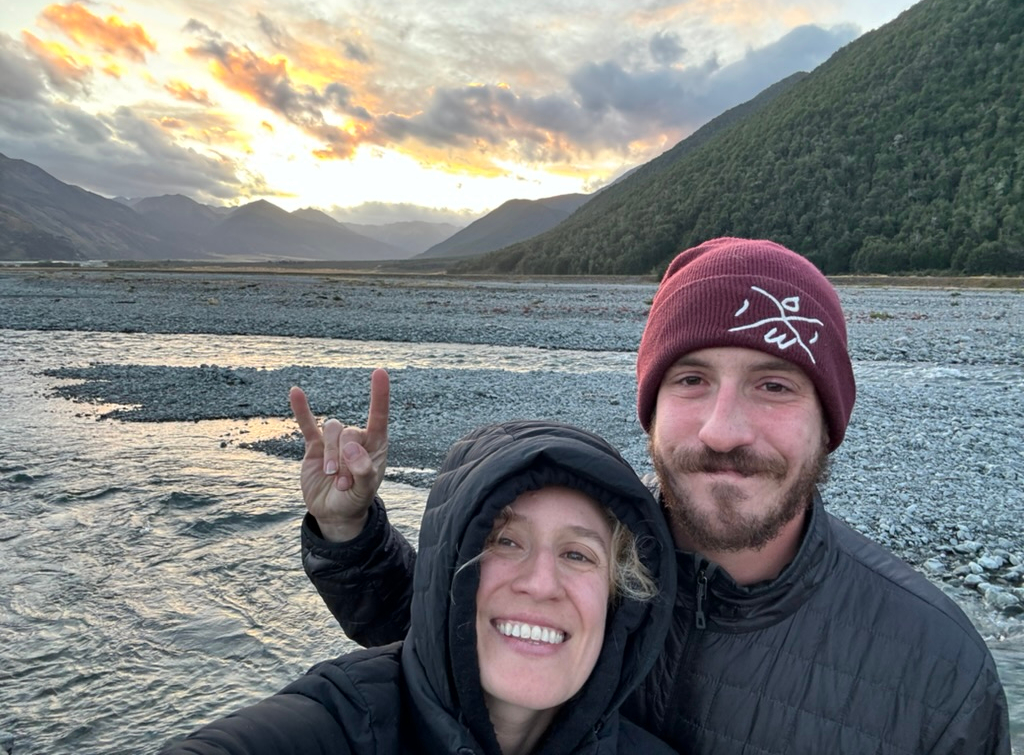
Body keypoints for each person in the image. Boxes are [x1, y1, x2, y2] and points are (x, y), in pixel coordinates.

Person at [296, 237, 1010, 754]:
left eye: (774, 386)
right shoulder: (583, 559)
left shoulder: (939, 675)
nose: (724, 430)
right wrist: (349, 532)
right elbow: (434, 633)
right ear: (651, 408)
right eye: (692, 379)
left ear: (831, 422)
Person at [161, 418, 678, 755]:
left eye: (577, 554)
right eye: (503, 542)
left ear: (618, 597)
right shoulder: (344, 722)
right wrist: (346, 533)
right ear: (449, 571)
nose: (542, 583)